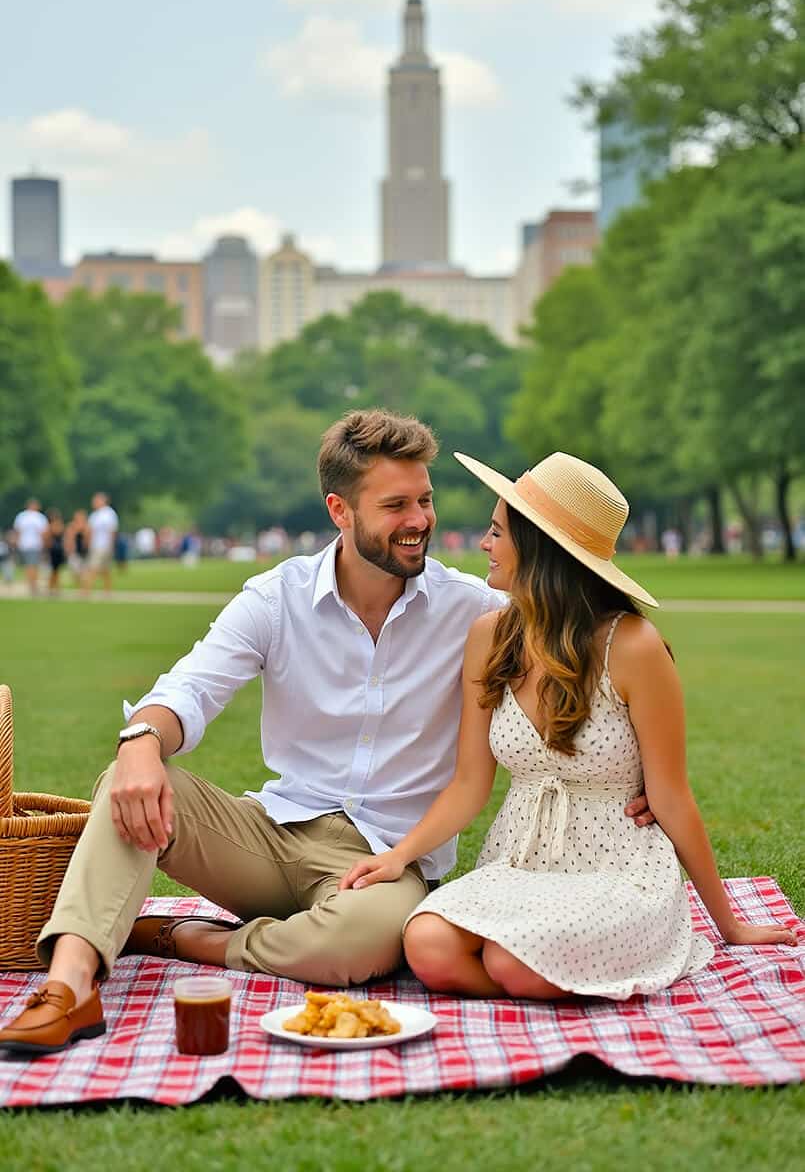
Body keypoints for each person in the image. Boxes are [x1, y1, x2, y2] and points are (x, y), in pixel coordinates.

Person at [0, 413, 653, 1056]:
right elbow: (190, 688)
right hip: (267, 835)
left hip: (382, 863)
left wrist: (640, 775)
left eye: (423, 500)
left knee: (362, 943)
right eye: (395, 504)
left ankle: (189, 939)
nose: (419, 520)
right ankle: (68, 988)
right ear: (340, 510)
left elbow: (595, 653)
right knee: (129, 780)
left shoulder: (475, 611)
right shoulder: (275, 598)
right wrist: (141, 739)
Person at [340, 451, 797, 1000]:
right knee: (427, 945)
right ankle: (549, 976)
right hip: (520, 859)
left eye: (497, 533)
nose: (484, 545)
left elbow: (672, 796)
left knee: (515, 961)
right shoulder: (490, 636)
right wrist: (398, 856)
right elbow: (468, 785)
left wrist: (730, 925)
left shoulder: (632, 646)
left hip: (617, 868)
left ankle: (546, 971)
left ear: (540, 548)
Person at [82, 492, 119, 593]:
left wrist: (112, 544)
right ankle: (107, 589)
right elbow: (89, 531)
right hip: (95, 544)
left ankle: (86, 590)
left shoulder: (109, 514)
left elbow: (112, 531)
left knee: (94, 567)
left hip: (104, 545)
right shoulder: (95, 515)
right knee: (103, 568)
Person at [12, 498, 48, 595]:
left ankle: (31, 584)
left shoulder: (21, 516)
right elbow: (43, 533)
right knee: (32, 565)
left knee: (29, 565)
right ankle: (33, 585)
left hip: (25, 544)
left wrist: (16, 543)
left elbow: (17, 531)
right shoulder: (39, 517)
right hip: (34, 545)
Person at [44, 509, 68, 595]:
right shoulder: (51, 526)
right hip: (53, 550)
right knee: (54, 570)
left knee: (56, 570)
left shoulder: (55, 525)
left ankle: (55, 588)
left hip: (58, 550)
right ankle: (52, 588)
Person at [65, 509, 90, 585]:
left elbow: (88, 539)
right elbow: (69, 539)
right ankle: (82, 584)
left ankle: (84, 587)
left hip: (84, 552)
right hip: (74, 552)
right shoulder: (71, 526)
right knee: (75, 571)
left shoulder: (87, 526)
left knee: (84, 571)